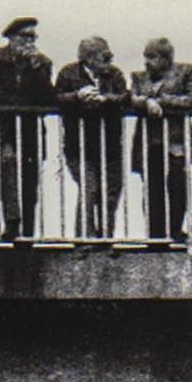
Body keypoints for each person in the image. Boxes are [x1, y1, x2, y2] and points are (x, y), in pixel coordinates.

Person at [0, 17, 53, 242]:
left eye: (33, 37)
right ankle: (12, 221)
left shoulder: (43, 62)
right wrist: (21, 105)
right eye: (25, 36)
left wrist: (36, 70)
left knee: (30, 177)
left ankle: (28, 230)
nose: (30, 42)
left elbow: (48, 99)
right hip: (5, 124)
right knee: (8, 162)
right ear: (12, 38)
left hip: (30, 127)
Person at [54, 36, 127, 240]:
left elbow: (125, 96)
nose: (109, 61)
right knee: (89, 188)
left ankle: (105, 239)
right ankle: (84, 239)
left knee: (111, 193)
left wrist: (105, 99)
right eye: (105, 57)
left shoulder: (115, 74)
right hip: (80, 146)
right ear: (89, 59)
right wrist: (78, 96)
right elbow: (56, 98)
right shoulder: (68, 74)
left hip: (110, 145)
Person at [130, 37, 192, 244]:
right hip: (150, 142)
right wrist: (146, 102)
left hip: (176, 141)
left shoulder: (186, 71)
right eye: (146, 57)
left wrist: (163, 102)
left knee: (177, 185)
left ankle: (175, 230)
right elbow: (131, 98)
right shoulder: (139, 77)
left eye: (152, 57)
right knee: (152, 189)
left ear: (166, 58)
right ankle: (156, 236)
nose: (147, 62)